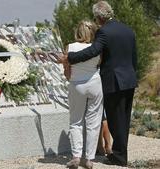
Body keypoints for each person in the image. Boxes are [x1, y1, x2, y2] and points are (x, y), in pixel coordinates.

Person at [60, 1, 137, 166]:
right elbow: (133, 57)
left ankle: (119, 157)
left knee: (115, 119)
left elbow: (93, 51)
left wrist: (70, 58)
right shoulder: (128, 30)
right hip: (129, 79)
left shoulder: (104, 32)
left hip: (113, 81)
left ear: (98, 17)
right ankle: (120, 155)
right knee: (124, 119)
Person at [64, 20, 103, 169]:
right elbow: (99, 64)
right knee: (93, 121)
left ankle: (76, 156)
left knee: (76, 121)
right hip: (94, 83)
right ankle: (89, 159)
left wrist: (72, 77)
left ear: (78, 32)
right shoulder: (97, 48)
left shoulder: (70, 47)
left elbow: (67, 72)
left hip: (76, 84)